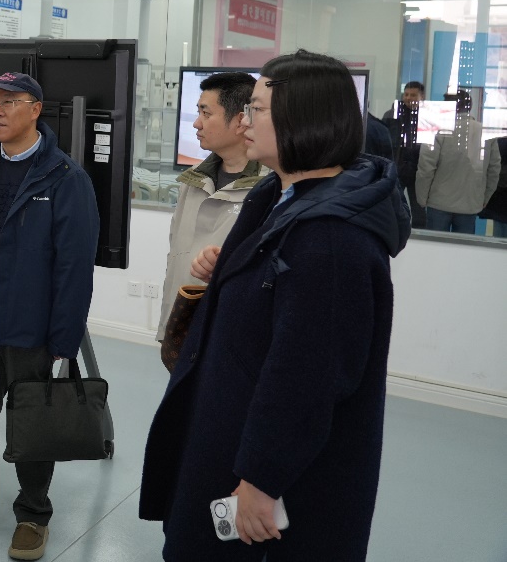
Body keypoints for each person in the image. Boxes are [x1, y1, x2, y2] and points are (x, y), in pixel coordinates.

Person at [140, 49, 410, 561]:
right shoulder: (276, 198)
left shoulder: (332, 241)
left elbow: (308, 377)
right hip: (227, 432)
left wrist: (261, 480)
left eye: (257, 109)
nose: (244, 121)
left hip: (270, 475)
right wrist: (233, 272)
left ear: (300, 118)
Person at [0, 71, 99, 562]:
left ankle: (32, 514)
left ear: (36, 110)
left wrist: (63, 340)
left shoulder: (65, 178)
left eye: (10, 101)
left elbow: (75, 269)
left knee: (33, 421)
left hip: (33, 326)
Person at [156, 72, 265, 348]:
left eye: (206, 113)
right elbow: (176, 257)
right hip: (182, 324)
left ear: (240, 120)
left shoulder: (269, 187)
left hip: (231, 334)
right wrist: (168, 325)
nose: (196, 123)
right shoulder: (193, 179)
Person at [415, 89, 498, 235]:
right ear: (470, 106)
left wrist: (422, 198)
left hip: (438, 202)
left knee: (435, 246)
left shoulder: (437, 130)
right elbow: (494, 169)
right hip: (470, 203)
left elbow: (426, 168)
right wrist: (484, 198)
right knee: (463, 248)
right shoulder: (485, 132)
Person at [381, 81, 426, 227]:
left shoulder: (427, 117)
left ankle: (420, 236)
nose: (408, 98)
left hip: (419, 170)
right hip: (397, 168)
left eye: (413, 95)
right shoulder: (392, 115)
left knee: (418, 209)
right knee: (393, 206)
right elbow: (383, 140)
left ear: (422, 97)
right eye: (406, 94)